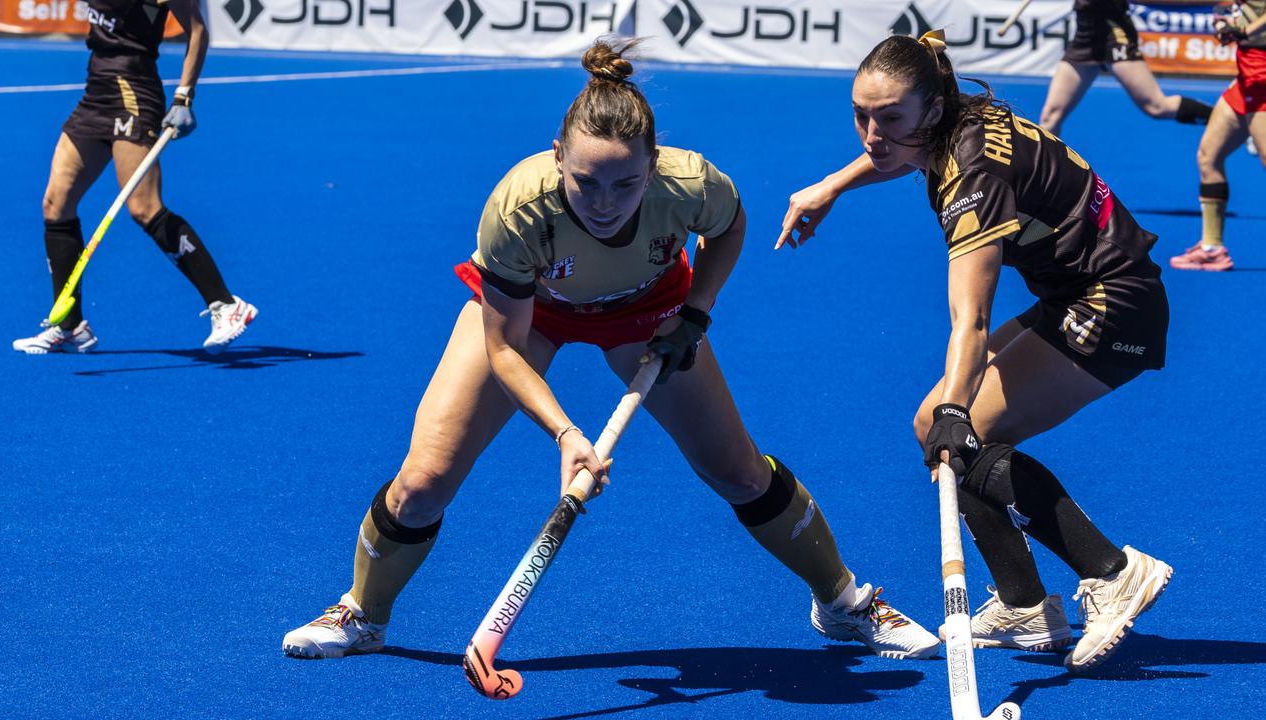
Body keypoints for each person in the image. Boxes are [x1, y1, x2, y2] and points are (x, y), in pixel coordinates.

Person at [282, 39, 939, 662]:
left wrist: (696, 314)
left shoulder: (691, 183)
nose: (604, 203)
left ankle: (845, 602)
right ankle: (363, 614)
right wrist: (567, 433)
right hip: (529, 315)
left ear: (652, 168)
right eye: (585, 183)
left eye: (625, 186)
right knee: (423, 483)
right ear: (558, 158)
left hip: (647, 312)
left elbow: (729, 227)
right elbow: (506, 348)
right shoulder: (518, 208)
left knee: (737, 470)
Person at [777, 31, 1172, 672]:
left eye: (889, 117)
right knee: (928, 422)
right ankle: (1023, 605)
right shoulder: (950, 119)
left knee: (963, 430)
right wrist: (832, 186)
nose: (871, 134)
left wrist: (958, 413)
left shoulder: (972, 173)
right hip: (1073, 293)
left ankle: (1114, 571)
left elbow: (972, 318)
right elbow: (894, 154)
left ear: (932, 109)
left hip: (1113, 303)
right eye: (861, 114)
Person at [12, 0, 256, 355]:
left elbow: (198, 30)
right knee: (56, 203)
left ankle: (226, 304)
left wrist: (184, 97)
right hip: (95, 92)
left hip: (133, 94)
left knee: (144, 208)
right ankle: (70, 328)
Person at [1169, 0, 1266, 271]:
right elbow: (1233, 11)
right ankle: (1212, 248)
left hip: (1264, 80)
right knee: (1208, 156)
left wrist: (1243, 30)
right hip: (1247, 75)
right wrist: (1225, 24)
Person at [1040, 0, 1212, 137]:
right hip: (1085, 35)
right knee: (1050, 117)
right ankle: (1045, 175)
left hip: (1113, 33)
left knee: (1157, 107)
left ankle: (1220, 118)